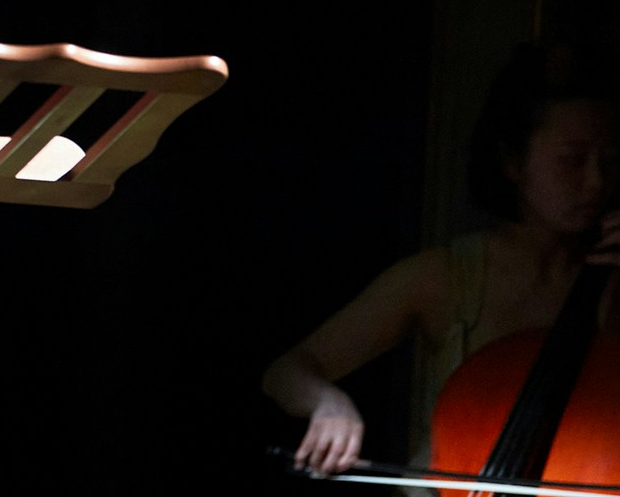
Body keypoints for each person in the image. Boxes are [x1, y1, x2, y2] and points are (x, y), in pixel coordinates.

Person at [260, 39, 619, 490]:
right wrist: (328, 402)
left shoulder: (612, 282)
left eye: (610, 162)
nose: (596, 183)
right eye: (571, 160)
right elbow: (286, 371)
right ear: (512, 162)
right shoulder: (446, 278)